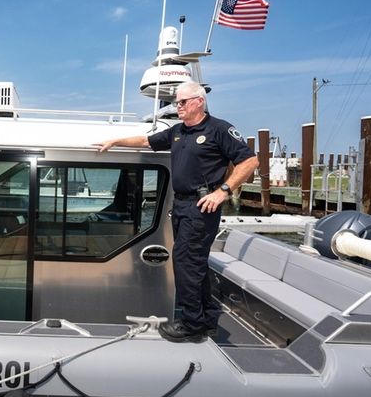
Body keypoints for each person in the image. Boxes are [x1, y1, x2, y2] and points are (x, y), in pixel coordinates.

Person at [95, 81, 258, 343]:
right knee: (195, 263)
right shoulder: (178, 131)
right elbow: (146, 141)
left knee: (186, 263)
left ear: (199, 102)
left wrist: (223, 191)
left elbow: (250, 161)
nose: (177, 106)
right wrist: (116, 140)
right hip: (181, 206)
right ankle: (206, 317)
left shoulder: (219, 129)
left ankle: (192, 325)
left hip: (201, 206)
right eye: (176, 102)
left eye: (182, 102)